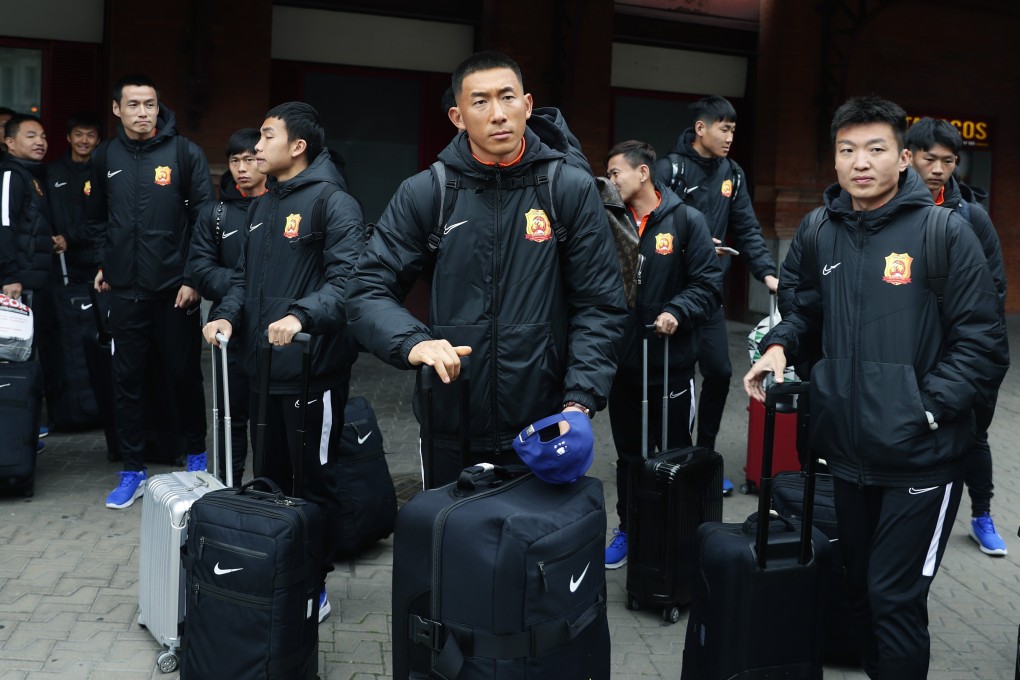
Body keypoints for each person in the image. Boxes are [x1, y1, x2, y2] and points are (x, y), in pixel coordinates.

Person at [744, 95, 1009, 679]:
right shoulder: (818, 230)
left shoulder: (946, 232)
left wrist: (928, 411)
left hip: (923, 457)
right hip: (845, 455)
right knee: (860, 591)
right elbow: (803, 311)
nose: (860, 162)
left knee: (895, 600)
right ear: (834, 161)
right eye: (847, 150)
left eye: (875, 149)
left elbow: (983, 342)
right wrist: (780, 345)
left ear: (903, 159)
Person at [346, 51, 627, 487]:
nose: (498, 114)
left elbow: (600, 305)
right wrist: (413, 343)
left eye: (507, 97)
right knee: (451, 547)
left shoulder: (567, 189)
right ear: (458, 116)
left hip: (547, 423)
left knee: (537, 550)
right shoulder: (427, 192)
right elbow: (368, 290)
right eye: (480, 102)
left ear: (528, 106)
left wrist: (579, 400)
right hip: (450, 417)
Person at [202, 102, 365, 623]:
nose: (256, 148)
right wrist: (226, 316)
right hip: (261, 370)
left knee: (311, 481)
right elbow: (243, 281)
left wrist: (300, 316)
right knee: (267, 477)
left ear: (298, 147)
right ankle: (278, 573)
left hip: (311, 373)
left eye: (267, 137)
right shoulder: (263, 205)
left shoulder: (334, 203)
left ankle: (314, 584)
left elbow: (348, 285)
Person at [87, 74, 213, 509]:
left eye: (151, 104)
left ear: (159, 109)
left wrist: (193, 278)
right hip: (125, 291)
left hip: (174, 291)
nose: (143, 112)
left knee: (183, 375)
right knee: (127, 381)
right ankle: (132, 469)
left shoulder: (184, 153)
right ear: (117, 109)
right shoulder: (105, 155)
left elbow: (205, 222)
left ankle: (197, 457)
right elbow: (96, 216)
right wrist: (106, 261)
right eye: (134, 104)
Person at [602, 140, 722, 569]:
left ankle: (678, 535)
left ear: (642, 174)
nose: (611, 181)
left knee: (673, 453)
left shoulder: (687, 221)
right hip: (623, 365)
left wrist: (677, 309)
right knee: (630, 458)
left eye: (615, 172)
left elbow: (708, 286)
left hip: (671, 365)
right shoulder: (607, 222)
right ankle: (630, 529)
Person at [653, 95, 779, 494]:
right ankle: (673, 458)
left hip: (707, 294)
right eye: (723, 128)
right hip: (669, 297)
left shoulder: (733, 173)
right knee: (673, 381)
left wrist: (768, 273)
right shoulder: (668, 169)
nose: (729, 137)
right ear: (701, 129)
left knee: (721, 372)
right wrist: (693, 240)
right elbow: (649, 223)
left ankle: (702, 458)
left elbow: (746, 226)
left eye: (733, 130)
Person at [906, 116, 1008, 556]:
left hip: (960, 352)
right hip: (911, 349)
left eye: (948, 161)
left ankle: (982, 514)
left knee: (972, 437)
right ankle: (918, 515)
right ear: (909, 157)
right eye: (931, 159)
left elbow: (995, 288)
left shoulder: (971, 216)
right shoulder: (890, 210)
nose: (939, 170)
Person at [188, 128, 268, 486]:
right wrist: (248, 285)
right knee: (230, 419)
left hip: (270, 330)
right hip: (227, 332)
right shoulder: (215, 213)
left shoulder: (282, 207)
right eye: (235, 160)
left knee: (267, 420)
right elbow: (200, 272)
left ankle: (268, 492)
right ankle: (227, 490)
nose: (242, 168)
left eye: (250, 159)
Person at [1, 113, 61, 451]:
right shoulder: (11, 173)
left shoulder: (32, 176)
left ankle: (25, 424)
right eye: (30, 135)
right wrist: (9, 276)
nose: (40, 141)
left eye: (42, 135)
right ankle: (17, 428)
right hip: (18, 282)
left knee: (28, 353)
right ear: (10, 142)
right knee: (16, 354)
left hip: (35, 278)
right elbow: (4, 225)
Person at [47, 112, 102, 284]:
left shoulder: (103, 174)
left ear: (98, 140)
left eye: (90, 136)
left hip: (93, 260)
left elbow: (103, 217)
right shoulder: (51, 172)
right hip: (58, 258)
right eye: (78, 134)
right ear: (69, 138)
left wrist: (69, 238)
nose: (84, 141)